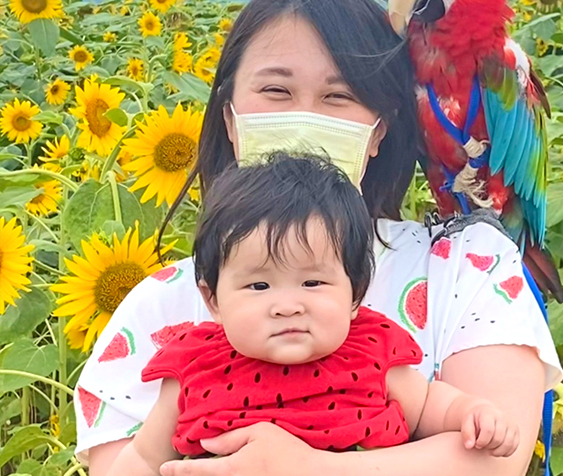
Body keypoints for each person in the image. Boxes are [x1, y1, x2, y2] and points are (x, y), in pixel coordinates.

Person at [77, 0, 563, 476]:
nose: (305, 117)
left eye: (339, 96)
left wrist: (303, 467)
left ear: (380, 129)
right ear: (228, 116)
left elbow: (492, 462)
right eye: (275, 89)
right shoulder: (159, 309)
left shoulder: (464, 268)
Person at [107, 153, 521, 476]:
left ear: (355, 292)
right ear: (213, 299)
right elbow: (143, 460)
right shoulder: (195, 364)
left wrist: (472, 414)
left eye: (312, 284)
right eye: (258, 286)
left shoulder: (372, 351)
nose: (288, 305)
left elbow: (432, 405)